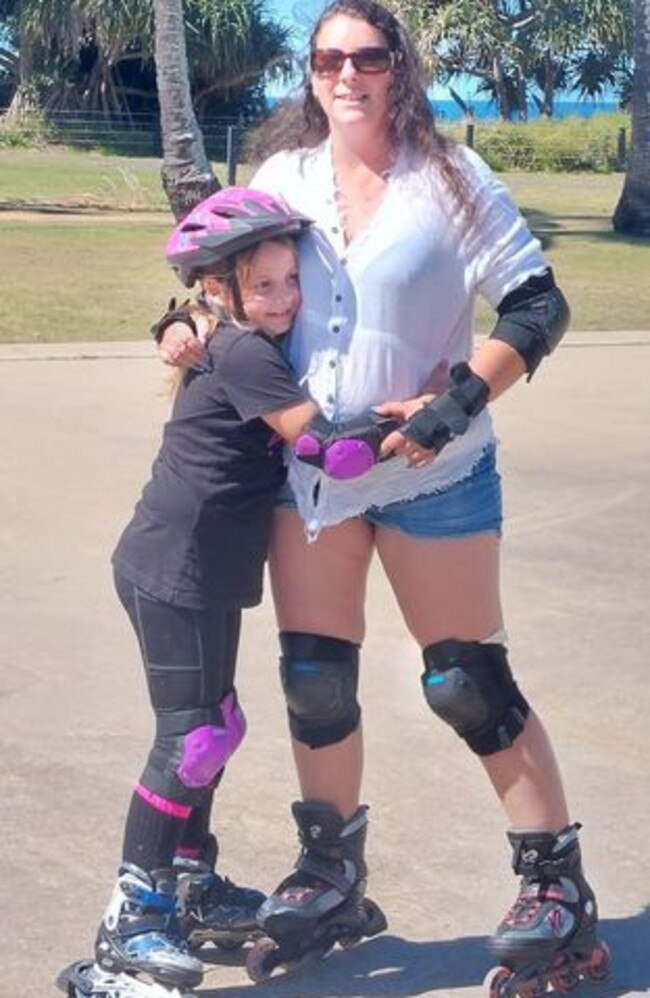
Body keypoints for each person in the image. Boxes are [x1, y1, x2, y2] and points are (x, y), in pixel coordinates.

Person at [158, 2, 610, 991]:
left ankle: (554, 882)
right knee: (313, 677)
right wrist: (182, 327)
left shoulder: (452, 181)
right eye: (327, 58)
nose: (345, 74)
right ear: (309, 72)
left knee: (464, 679)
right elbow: (218, 280)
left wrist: (452, 402)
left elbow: (536, 302)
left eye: (366, 55)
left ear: (396, 66)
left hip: (432, 473)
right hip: (311, 478)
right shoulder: (282, 178)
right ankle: (330, 867)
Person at [59, 187, 404, 998]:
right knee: (193, 738)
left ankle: (187, 878)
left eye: (292, 282)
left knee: (219, 724)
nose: (284, 300)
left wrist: (176, 322)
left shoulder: (231, 334)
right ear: (223, 289)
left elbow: (186, 327)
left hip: (203, 565)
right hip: (172, 563)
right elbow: (325, 448)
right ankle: (130, 920)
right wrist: (428, 422)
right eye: (266, 286)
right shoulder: (246, 351)